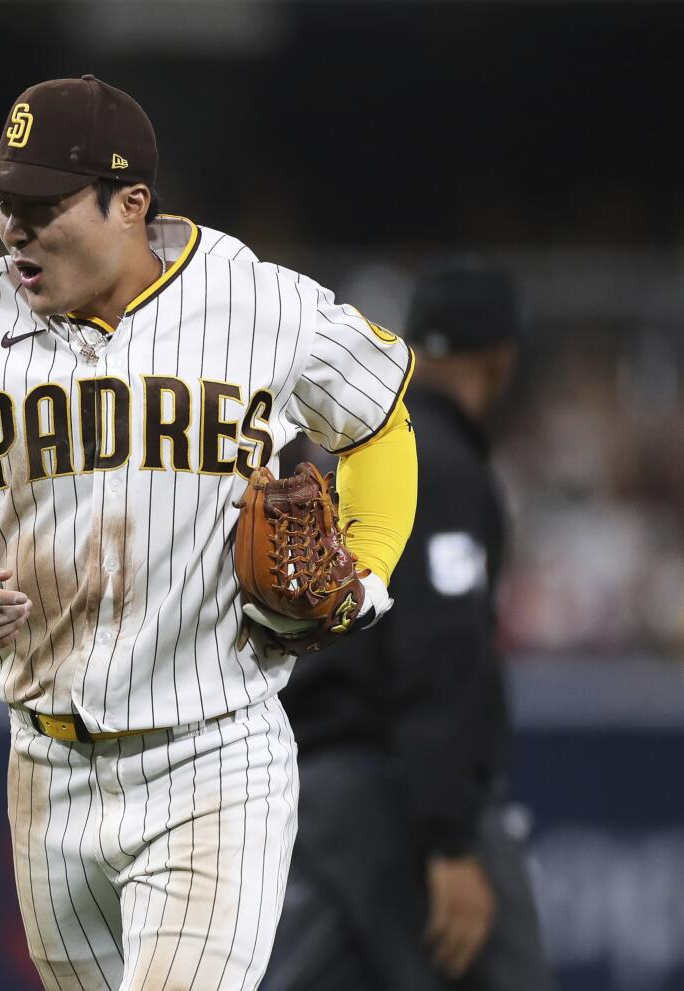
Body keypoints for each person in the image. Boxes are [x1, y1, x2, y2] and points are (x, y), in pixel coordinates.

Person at [0, 75, 420, 990]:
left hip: (214, 746)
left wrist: (368, 566)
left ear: (131, 203)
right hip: (43, 762)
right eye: (4, 202)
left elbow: (379, 418)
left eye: (42, 204)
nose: (14, 229)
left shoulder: (256, 300)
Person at [264, 261, 551, 991]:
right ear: (501, 358)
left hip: (324, 787)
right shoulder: (444, 462)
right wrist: (450, 839)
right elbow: (439, 651)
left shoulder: (369, 451)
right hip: (389, 788)